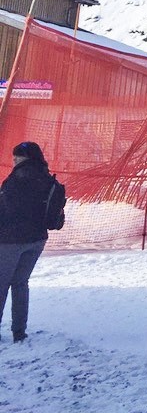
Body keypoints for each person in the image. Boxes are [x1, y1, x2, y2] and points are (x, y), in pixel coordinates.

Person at [0, 142, 60, 343]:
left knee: (1, 284)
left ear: (26, 158)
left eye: (18, 157)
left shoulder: (16, 180)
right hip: (37, 239)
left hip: (10, 241)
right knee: (20, 283)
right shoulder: (47, 178)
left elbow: (5, 210)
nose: (14, 160)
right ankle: (19, 332)